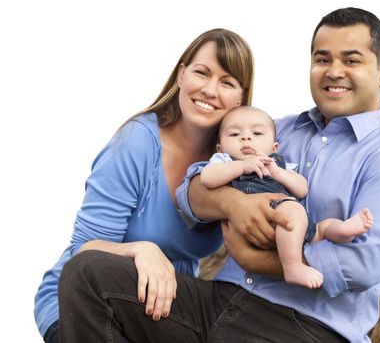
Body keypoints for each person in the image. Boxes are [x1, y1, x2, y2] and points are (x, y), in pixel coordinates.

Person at [57, 7, 380, 343]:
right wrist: (232, 203)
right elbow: (191, 191)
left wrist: (257, 260)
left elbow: (362, 265)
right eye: (322, 59)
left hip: (304, 326)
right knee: (90, 274)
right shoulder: (276, 131)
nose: (334, 71)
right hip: (219, 302)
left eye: (352, 60)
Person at [33, 28, 255, 343]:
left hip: (159, 307)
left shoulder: (233, 162)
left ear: (241, 97)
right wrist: (141, 250)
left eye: (227, 82)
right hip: (81, 301)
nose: (209, 90)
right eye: (201, 73)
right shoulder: (137, 142)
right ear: (181, 75)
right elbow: (83, 249)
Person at [201, 105, 373, 289]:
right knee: (293, 210)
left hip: (291, 227)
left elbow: (302, 189)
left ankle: (341, 231)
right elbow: (207, 178)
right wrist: (242, 167)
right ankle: (293, 265)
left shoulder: (275, 164)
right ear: (220, 148)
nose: (246, 137)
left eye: (257, 133)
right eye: (234, 134)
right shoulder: (224, 161)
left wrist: (277, 172)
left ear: (274, 147)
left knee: (322, 227)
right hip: (264, 219)